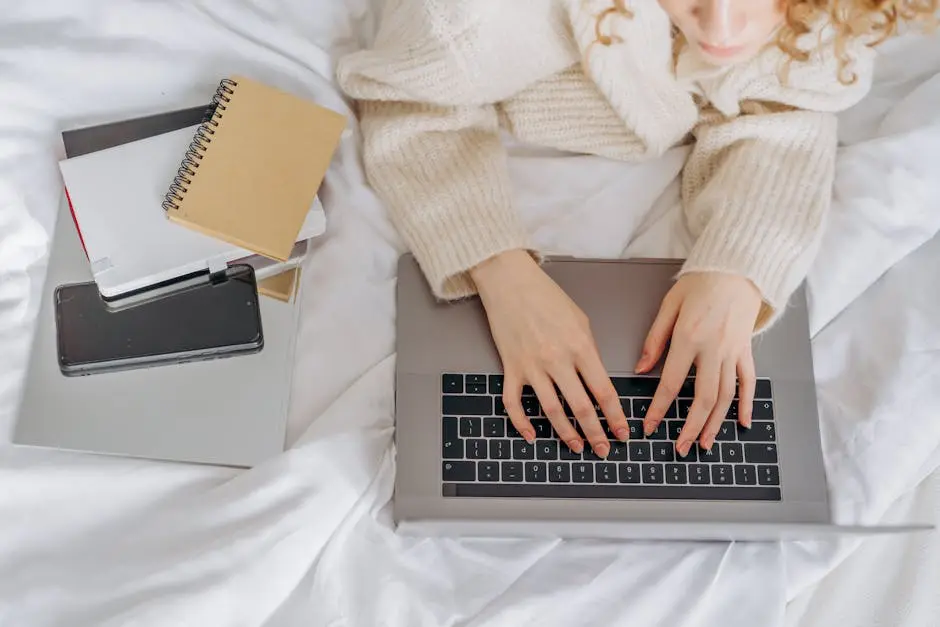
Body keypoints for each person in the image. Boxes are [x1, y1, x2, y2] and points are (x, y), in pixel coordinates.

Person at [336, 0, 936, 460]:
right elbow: (407, 100)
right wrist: (500, 270)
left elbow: (784, 107)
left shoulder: (829, 11)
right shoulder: (474, 22)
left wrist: (738, 266)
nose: (723, 32)